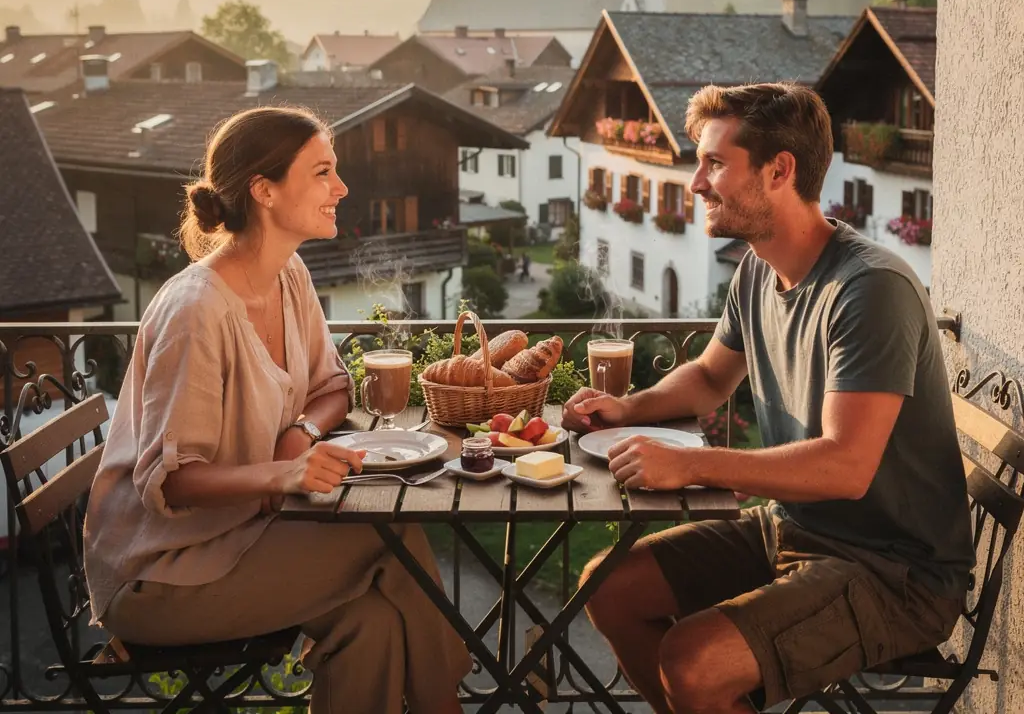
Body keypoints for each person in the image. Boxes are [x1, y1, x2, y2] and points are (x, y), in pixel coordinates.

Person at [561, 83, 974, 714]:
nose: (696, 182)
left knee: (692, 659)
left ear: (779, 170)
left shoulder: (869, 290)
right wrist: (628, 407)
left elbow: (845, 465)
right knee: (609, 587)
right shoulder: (759, 267)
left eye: (716, 163)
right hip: (794, 529)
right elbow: (707, 378)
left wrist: (694, 463)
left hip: (894, 573)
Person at [84, 106, 470, 714]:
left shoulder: (288, 275)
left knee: (370, 623)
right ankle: (451, 700)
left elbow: (334, 386)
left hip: (244, 538)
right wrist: (283, 474)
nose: (341, 188)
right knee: (386, 527)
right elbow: (170, 480)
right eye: (322, 172)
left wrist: (300, 432)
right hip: (162, 573)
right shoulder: (197, 313)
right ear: (263, 191)